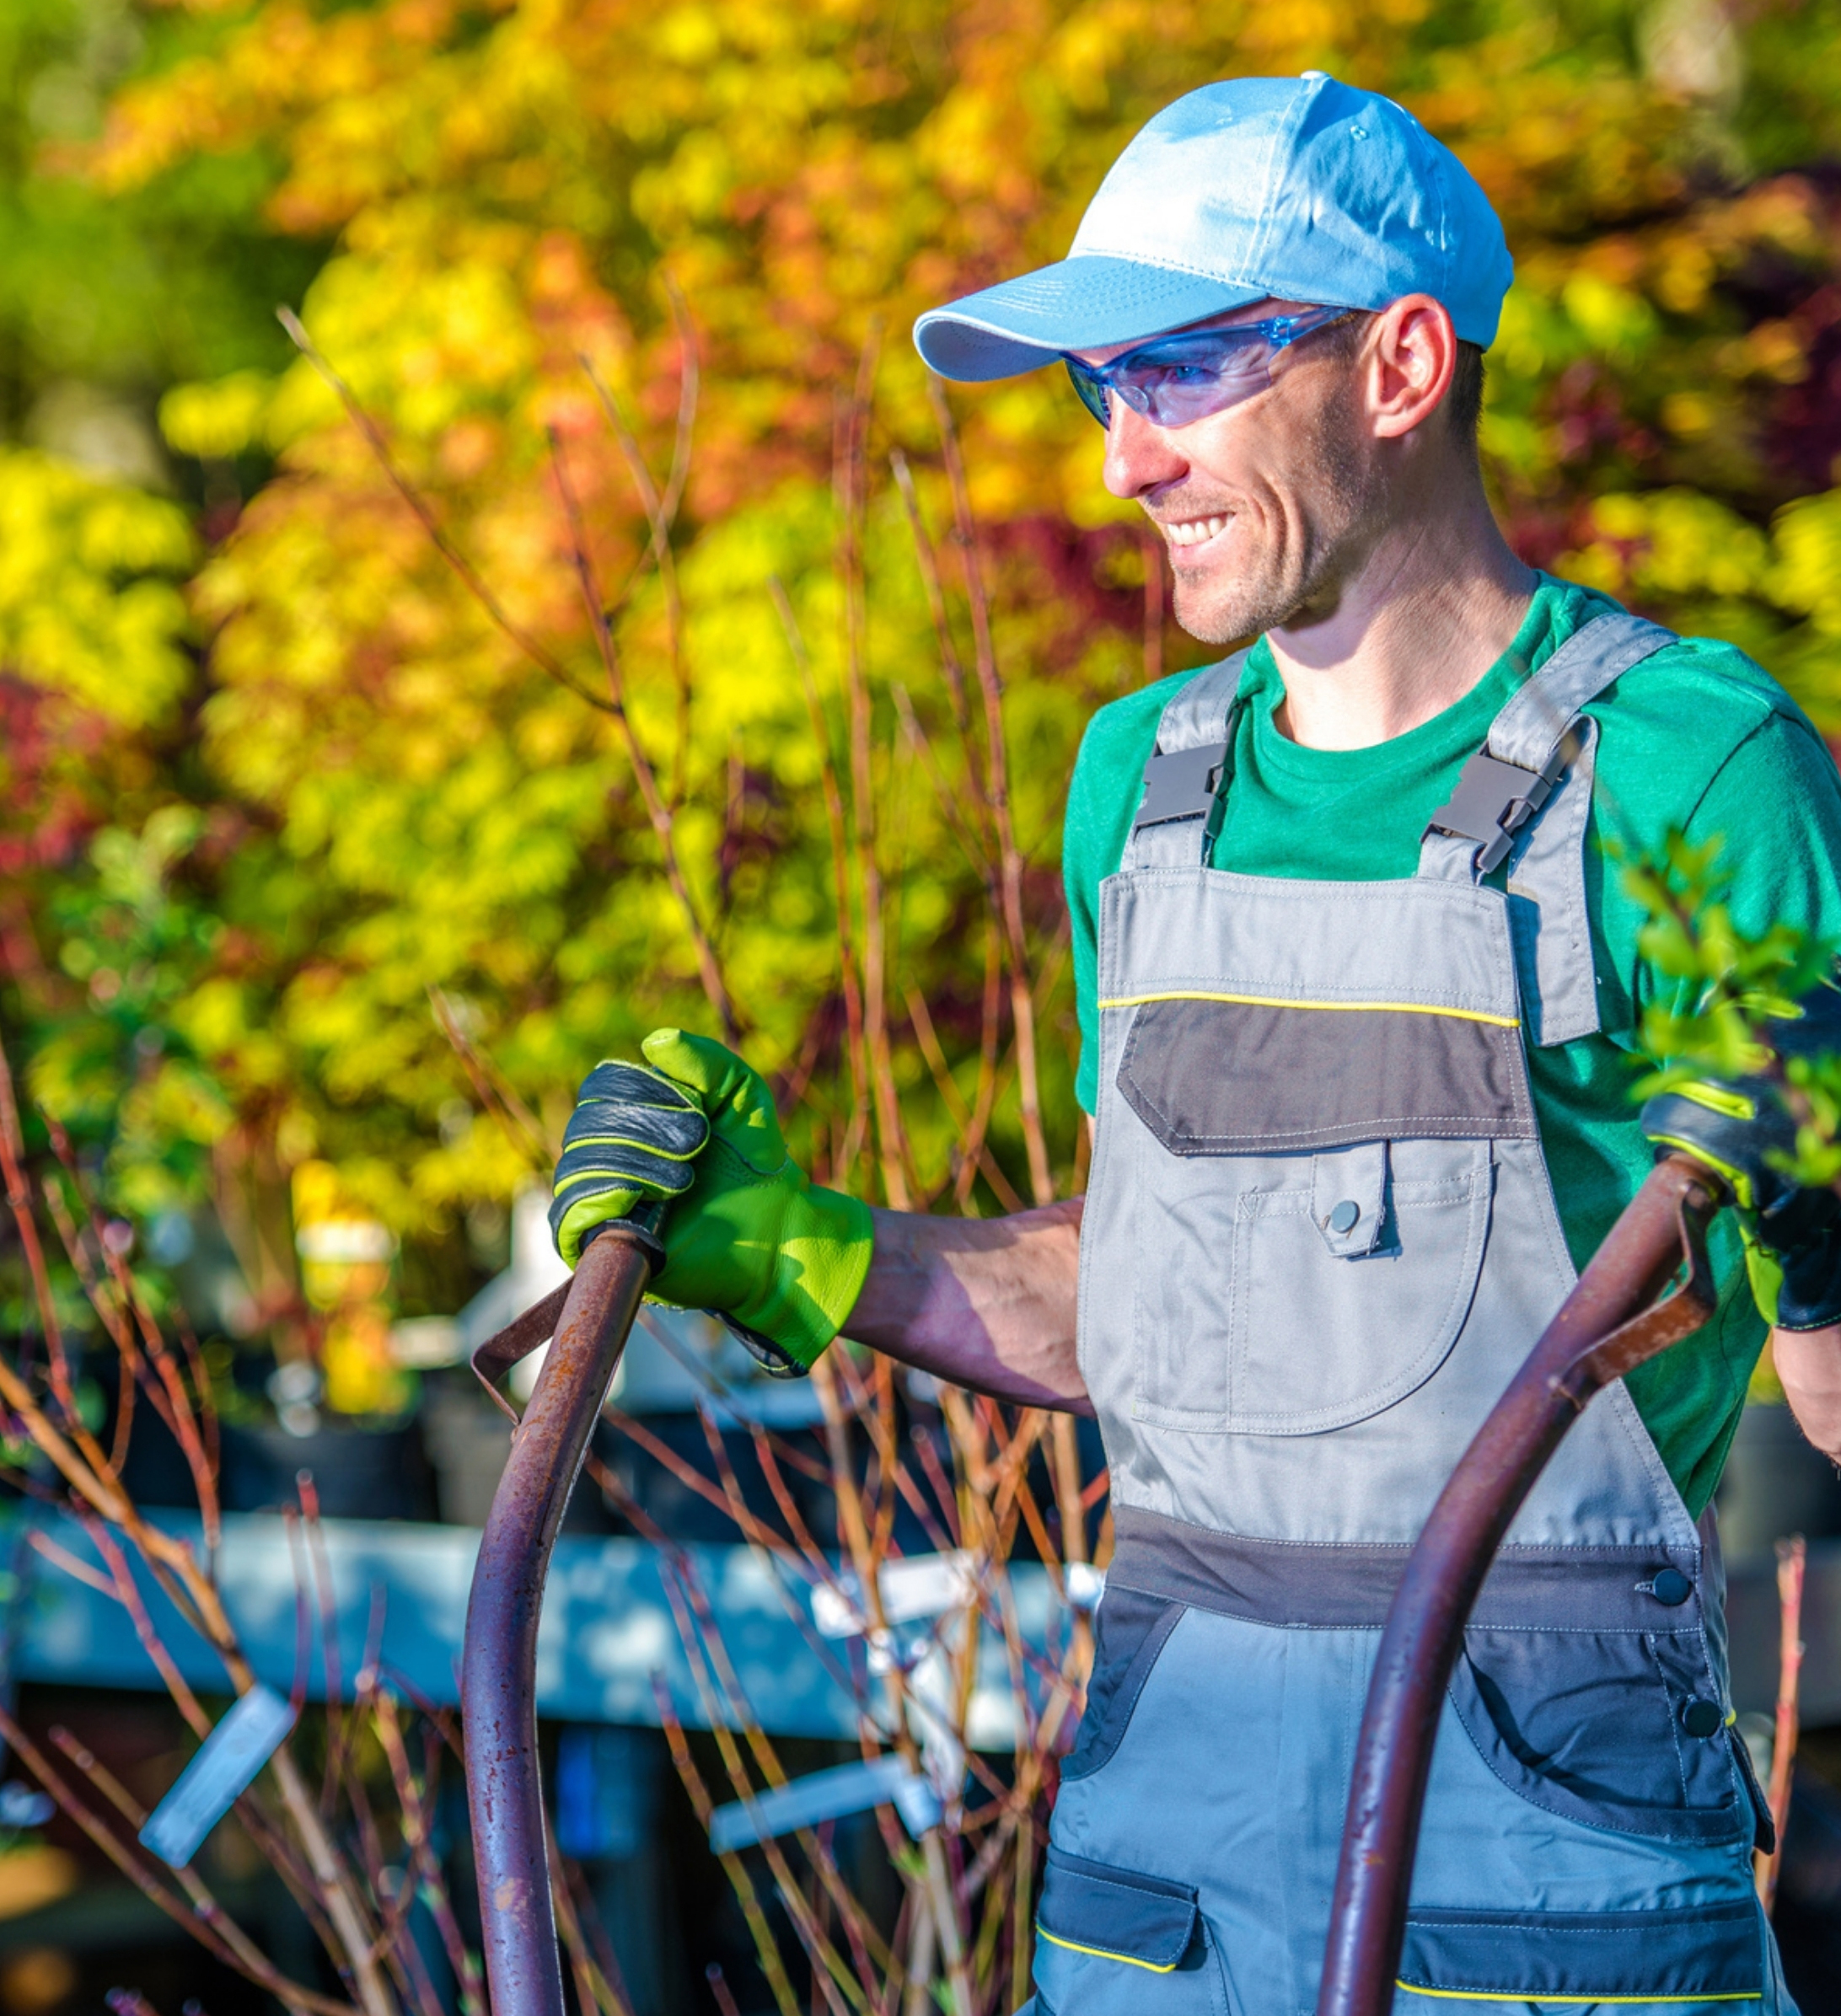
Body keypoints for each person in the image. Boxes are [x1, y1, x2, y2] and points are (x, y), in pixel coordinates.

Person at [549, 73, 1841, 2015]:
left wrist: (1819, 1223)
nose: (1122, 459)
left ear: (1400, 365)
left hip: (1537, 1911)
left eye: (1181, 369)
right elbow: (1158, 1310)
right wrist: (802, 1244)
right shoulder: (1141, 783)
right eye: (1102, 384)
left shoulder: (1693, 774)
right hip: (1159, 1902)